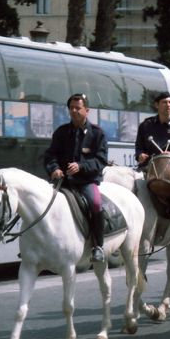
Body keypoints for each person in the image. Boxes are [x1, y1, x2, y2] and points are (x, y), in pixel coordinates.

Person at [44, 94, 108, 262]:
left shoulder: (98, 133)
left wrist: (81, 166)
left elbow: (100, 160)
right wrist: (55, 169)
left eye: (77, 108)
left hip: (86, 182)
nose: (74, 111)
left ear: (87, 110)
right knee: (41, 201)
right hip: (63, 181)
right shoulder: (61, 132)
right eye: (71, 108)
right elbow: (50, 155)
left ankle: (98, 246)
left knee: (95, 203)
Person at [135, 91, 170, 249]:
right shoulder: (146, 125)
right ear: (157, 105)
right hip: (148, 168)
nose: (168, 105)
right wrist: (140, 155)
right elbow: (138, 147)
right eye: (164, 103)